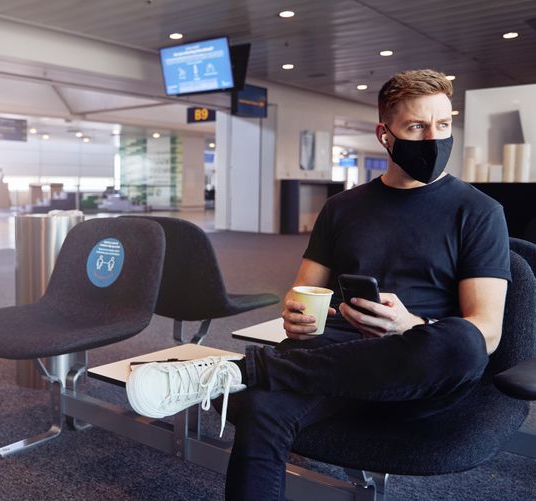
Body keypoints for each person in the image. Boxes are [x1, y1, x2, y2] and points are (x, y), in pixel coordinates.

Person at [125, 69, 512, 500]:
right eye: (417, 127)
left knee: (464, 343)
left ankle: (244, 369)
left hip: (416, 366)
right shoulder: (343, 208)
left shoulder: (479, 212)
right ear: (385, 134)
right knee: (261, 407)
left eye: (442, 125)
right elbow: (303, 292)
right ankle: (254, 375)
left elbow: (488, 331)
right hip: (336, 355)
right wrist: (296, 314)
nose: (433, 139)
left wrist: (410, 326)